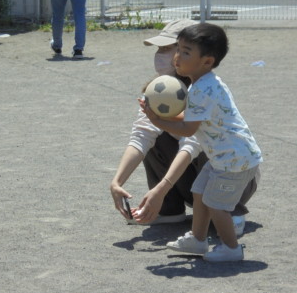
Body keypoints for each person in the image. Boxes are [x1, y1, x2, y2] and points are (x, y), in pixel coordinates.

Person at [110, 20, 257, 235]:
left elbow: (192, 143)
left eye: (172, 49)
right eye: (162, 49)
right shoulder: (159, 88)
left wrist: (161, 188)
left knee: (209, 147)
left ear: (202, 56)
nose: (164, 55)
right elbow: (141, 135)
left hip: (236, 177)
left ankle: (232, 211)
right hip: (195, 182)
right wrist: (117, 182)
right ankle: (169, 209)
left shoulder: (203, 89)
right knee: (155, 132)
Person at [140, 22, 262, 262]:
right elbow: (190, 117)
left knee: (216, 204)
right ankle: (197, 239)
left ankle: (231, 249)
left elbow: (188, 129)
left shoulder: (201, 89)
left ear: (207, 61)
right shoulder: (204, 84)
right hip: (225, 157)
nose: (177, 57)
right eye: (178, 49)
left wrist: (156, 120)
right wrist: (159, 116)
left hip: (234, 161)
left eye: (186, 52)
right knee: (199, 192)